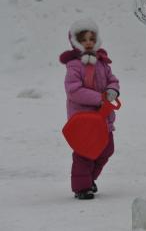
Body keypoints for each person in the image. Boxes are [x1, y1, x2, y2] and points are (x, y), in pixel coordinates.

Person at [60, 18, 120, 199]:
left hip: (103, 117)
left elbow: (113, 80)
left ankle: (88, 179)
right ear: (76, 42)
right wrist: (99, 99)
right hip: (84, 118)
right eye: (84, 39)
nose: (88, 43)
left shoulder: (102, 62)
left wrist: (111, 91)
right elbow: (74, 90)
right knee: (85, 152)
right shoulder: (74, 66)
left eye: (91, 39)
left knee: (106, 149)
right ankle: (81, 188)